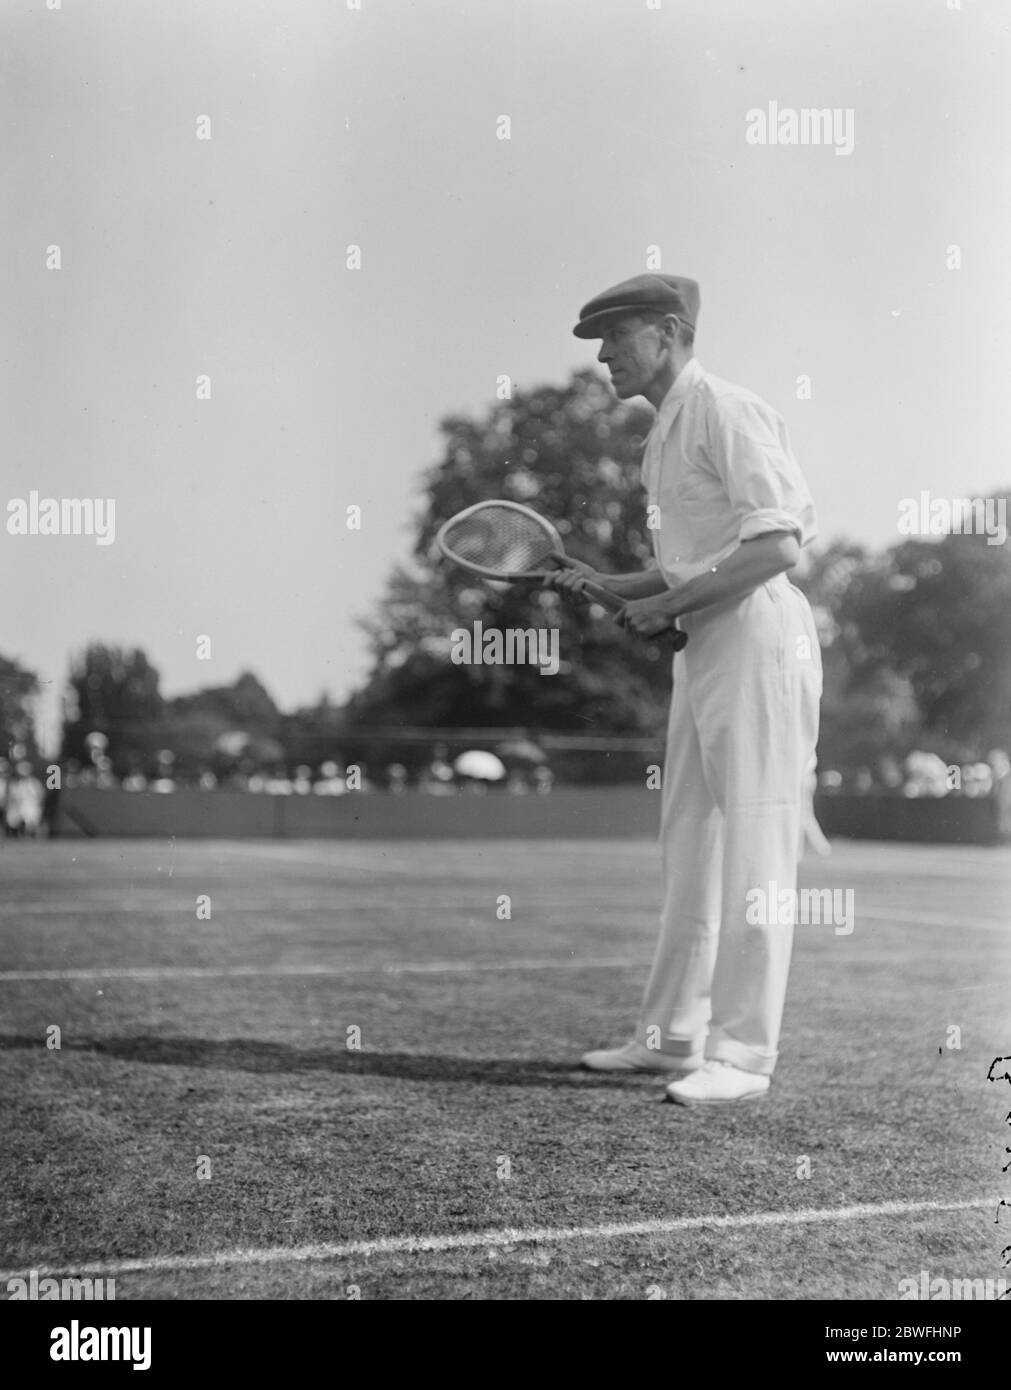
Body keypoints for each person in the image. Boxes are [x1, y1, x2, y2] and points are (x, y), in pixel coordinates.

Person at [548, 273, 822, 1105]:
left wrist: (664, 602)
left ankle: (741, 1058)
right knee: (689, 847)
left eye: (615, 337)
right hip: (706, 646)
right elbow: (683, 570)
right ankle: (671, 1040)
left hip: (762, 642)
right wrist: (607, 583)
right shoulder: (659, 437)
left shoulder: (727, 410)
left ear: (667, 333)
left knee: (754, 850)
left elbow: (777, 549)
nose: (602, 357)